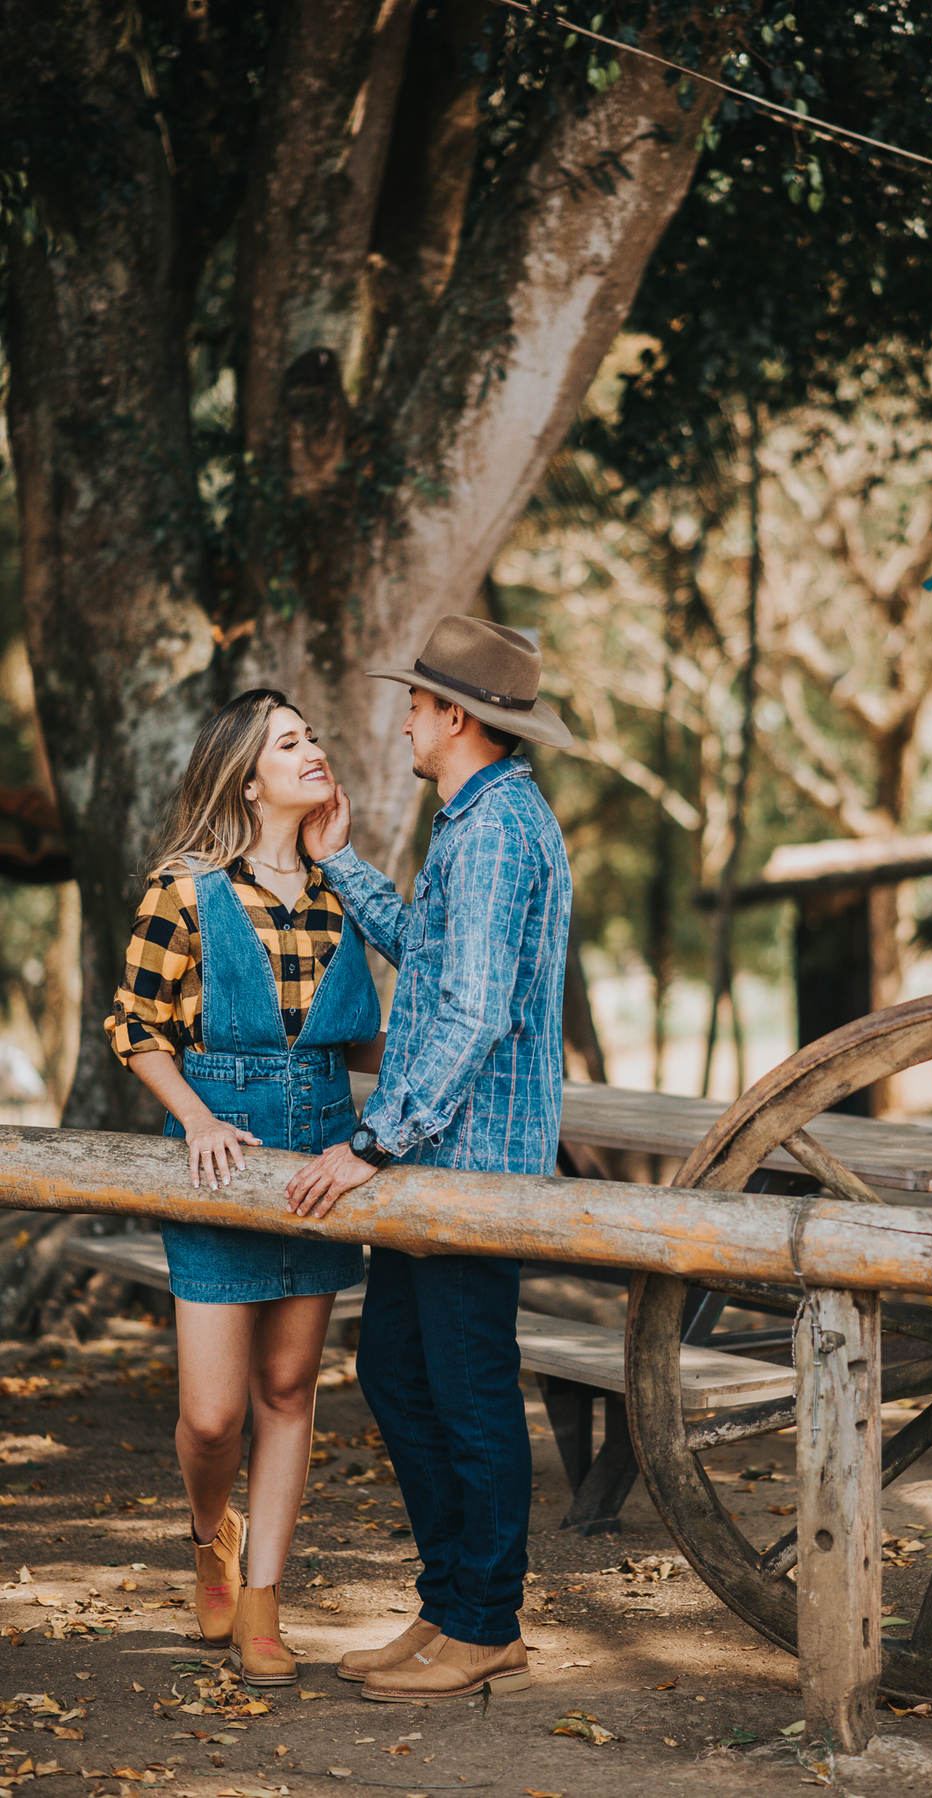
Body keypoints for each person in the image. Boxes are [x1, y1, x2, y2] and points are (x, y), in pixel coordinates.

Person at [285, 615, 572, 1703]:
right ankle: (452, 1603)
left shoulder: (498, 830)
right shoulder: (477, 819)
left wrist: (369, 1142)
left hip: (470, 1164)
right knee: (399, 1372)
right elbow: (432, 955)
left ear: (455, 717)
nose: (402, 717)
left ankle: (487, 1622)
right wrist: (343, 867)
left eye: (414, 702)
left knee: (467, 1388)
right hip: (437, 1158)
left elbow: (472, 1013)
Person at [105, 690, 383, 1685]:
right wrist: (197, 1117)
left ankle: (263, 1604)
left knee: (287, 1389)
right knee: (214, 1413)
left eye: (313, 736)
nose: (315, 751)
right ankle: (206, 1535)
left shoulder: (342, 887)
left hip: (322, 1161)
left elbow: (374, 1030)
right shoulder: (182, 891)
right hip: (220, 1163)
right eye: (290, 742)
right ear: (245, 774)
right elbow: (134, 1027)